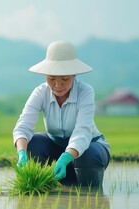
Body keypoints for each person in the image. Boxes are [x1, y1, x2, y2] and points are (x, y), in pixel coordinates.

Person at [13, 40, 110, 186]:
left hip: (88, 149)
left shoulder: (85, 92)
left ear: (74, 75)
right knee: (33, 144)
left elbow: (83, 132)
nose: (58, 86)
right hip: (56, 151)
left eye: (65, 79)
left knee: (88, 156)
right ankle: (49, 184)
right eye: (51, 79)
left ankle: (88, 194)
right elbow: (23, 126)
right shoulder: (40, 92)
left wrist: (66, 157)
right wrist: (21, 153)